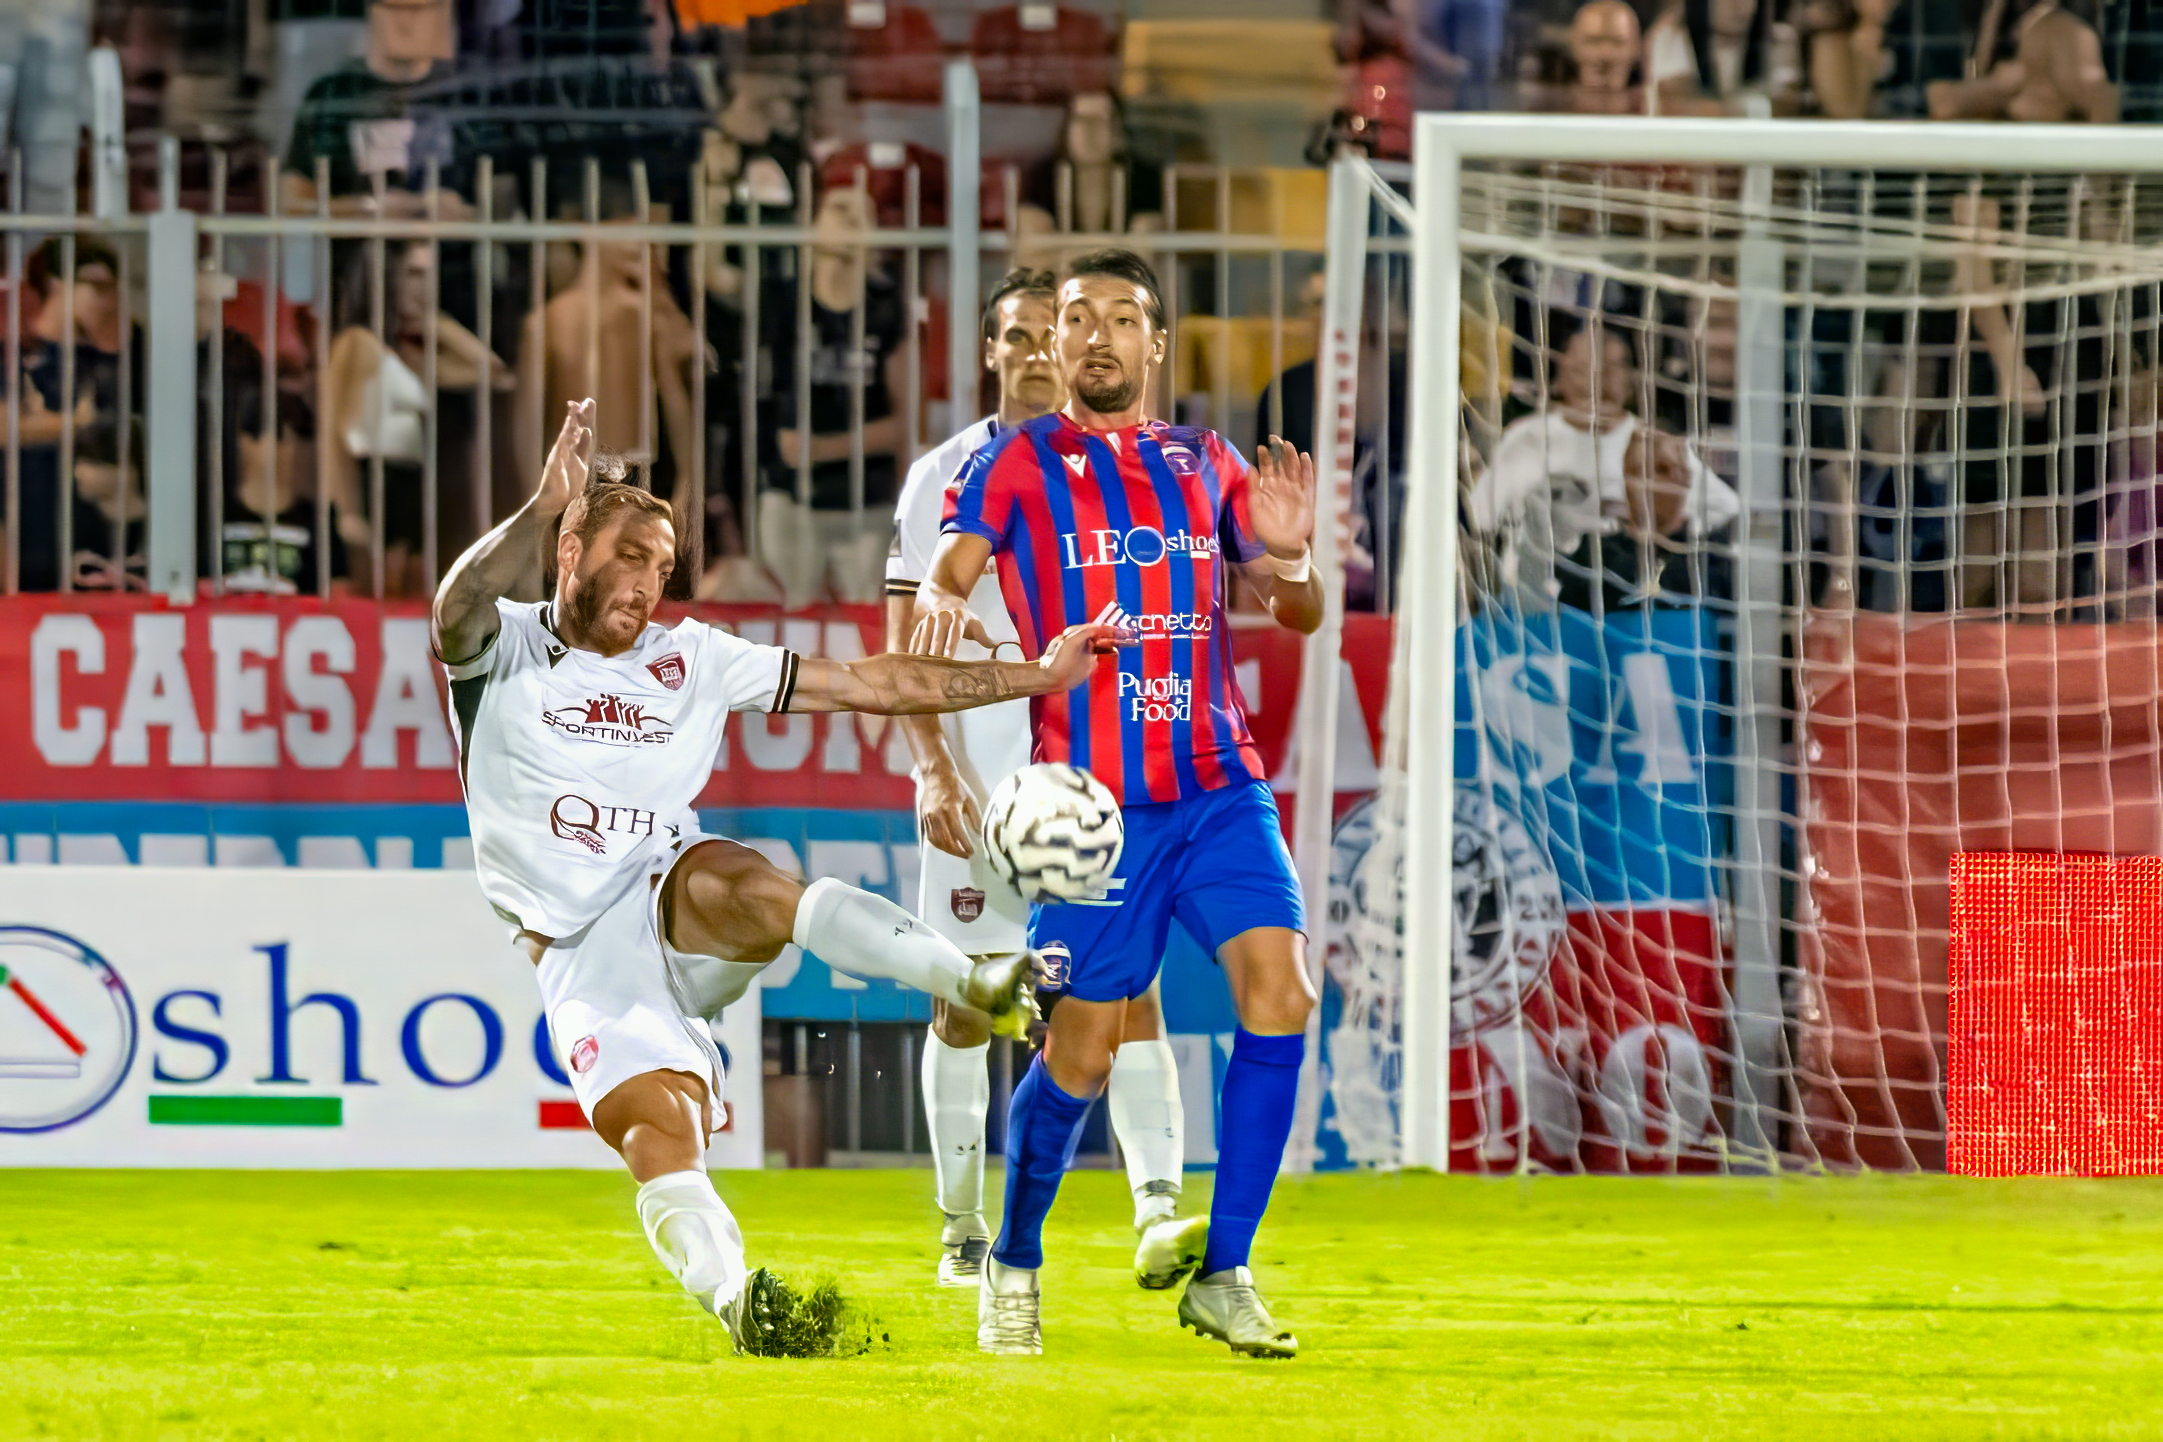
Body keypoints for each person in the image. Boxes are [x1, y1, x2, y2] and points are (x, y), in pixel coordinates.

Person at [433, 397, 1122, 1354]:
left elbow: (868, 682)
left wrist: (1035, 680)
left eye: (663, 567)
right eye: (628, 554)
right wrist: (539, 504)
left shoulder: (692, 660)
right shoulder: (503, 647)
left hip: (668, 889)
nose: (647, 581)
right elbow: (452, 612)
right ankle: (740, 1304)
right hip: (580, 953)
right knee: (655, 1137)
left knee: (746, 884)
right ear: (569, 548)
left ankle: (978, 979)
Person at [914, 249, 1323, 1359]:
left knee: (1281, 992)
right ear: (1051, 347)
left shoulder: (1206, 461)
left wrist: (1286, 559)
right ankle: (1015, 1255)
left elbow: (1304, 611)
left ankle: (1226, 1268)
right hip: (1091, 813)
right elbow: (950, 568)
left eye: (1122, 319)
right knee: (1081, 1054)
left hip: (1217, 788)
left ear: (1155, 345)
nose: (1096, 335)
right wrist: (946, 608)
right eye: (1076, 319)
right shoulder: (1012, 463)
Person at [886, 267, 1189, 1290]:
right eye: (1010, 337)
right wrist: (933, 769)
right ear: (990, 353)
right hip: (979, 779)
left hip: (1093, 776)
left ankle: (1159, 1211)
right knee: (968, 1004)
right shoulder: (943, 477)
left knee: (1128, 992)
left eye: (1040, 335)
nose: (1027, 352)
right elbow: (903, 650)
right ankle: (963, 1226)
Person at [1468, 324, 1739, 612]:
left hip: (1631, 611)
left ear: (1632, 379)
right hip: (1536, 611)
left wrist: (1665, 529)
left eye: (1611, 368)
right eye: (1583, 368)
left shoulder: (1657, 447)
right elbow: (1481, 517)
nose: (1596, 381)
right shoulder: (1527, 439)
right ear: (1561, 373)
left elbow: (1727, 511)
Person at [758, 184, 909, 609]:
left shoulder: (886, 309)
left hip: (865, 499)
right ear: (813, 224)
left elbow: (904, 421)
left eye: (865, 214)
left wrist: (822, 448)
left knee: (860, 626)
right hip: (789, 495)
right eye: (839, 208)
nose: (851, 219)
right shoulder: (781, 303)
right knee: (793, 621)